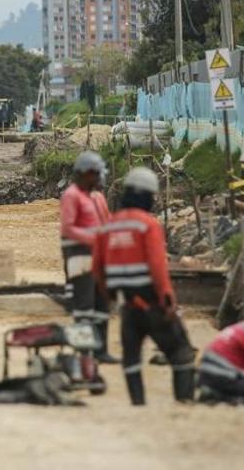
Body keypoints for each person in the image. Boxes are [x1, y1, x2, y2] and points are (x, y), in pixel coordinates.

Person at [93, 167, 195, 405]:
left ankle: (138, 404)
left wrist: (107, 295)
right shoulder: (148, 225)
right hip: (152, 303)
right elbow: (157, 267)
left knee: (131, 359)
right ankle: (184, 403)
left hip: (127, 306)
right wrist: (167, 298)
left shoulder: (108, 226)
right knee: (181, 352)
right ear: (149, 196)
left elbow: (97, 268)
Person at [60, 151, 115, 363]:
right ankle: (84, 354)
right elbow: (68, 229)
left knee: (102, 306)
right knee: (83, 308)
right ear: (86, 174)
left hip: (99, 259)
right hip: (80, 258)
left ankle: (101, 351)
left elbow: (106, 223)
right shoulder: (72, 196)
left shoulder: (96, 197)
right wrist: (95, 239)